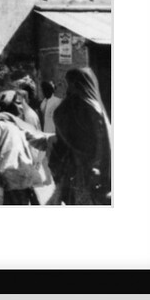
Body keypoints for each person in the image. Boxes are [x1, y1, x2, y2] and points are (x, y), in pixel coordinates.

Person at [49, 67, 112, 205]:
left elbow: (60, 118)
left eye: (69, 83)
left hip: (82, 170)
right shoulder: (96, 107)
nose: (68, 88)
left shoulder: (79, 105)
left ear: (76, 83)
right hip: (94, 169)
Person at [0, 90, 44, 205]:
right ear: (8, 103)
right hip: (6, 179)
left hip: (24, 177)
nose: (22, 107)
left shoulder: (20, 123)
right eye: (18, 103)